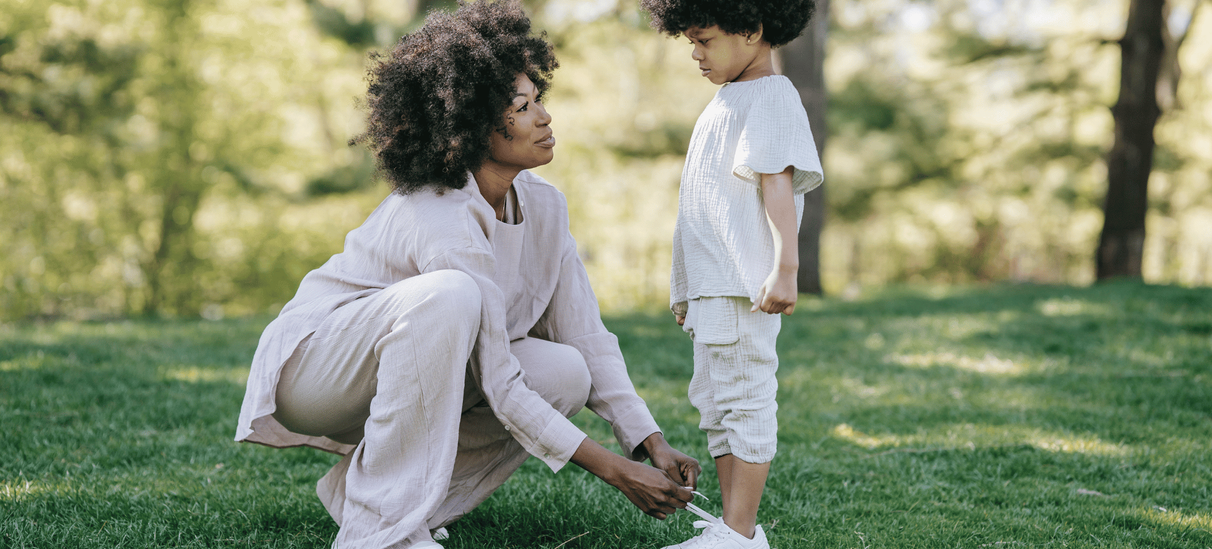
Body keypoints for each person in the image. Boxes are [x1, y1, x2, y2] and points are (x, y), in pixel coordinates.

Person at [233, 3, 700, 548]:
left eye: (538, 100)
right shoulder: (442, 212)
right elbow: (500, 384)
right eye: (521, 107)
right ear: (472, 128)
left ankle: (372, 504)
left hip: (408, 367)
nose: (544, 117)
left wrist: (648, 441)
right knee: (451, 296)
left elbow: (586, 336)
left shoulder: (545, 209)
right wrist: (613, 471)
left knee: (564, 371)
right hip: (318, 371)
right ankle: (383, 533)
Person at [639, 1, 823, 548]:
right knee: (716, 404)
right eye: (690, 41)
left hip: (744, 285)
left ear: (753, 29)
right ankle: (731, 528)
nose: (696, 53)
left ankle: (740, 533)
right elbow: (700, 205)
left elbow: (777, 185)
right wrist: (684, 287)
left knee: (745, 399)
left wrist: (784, 267)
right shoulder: (728, 98)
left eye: (706, 40)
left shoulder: (771, 95)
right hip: (712, 287)